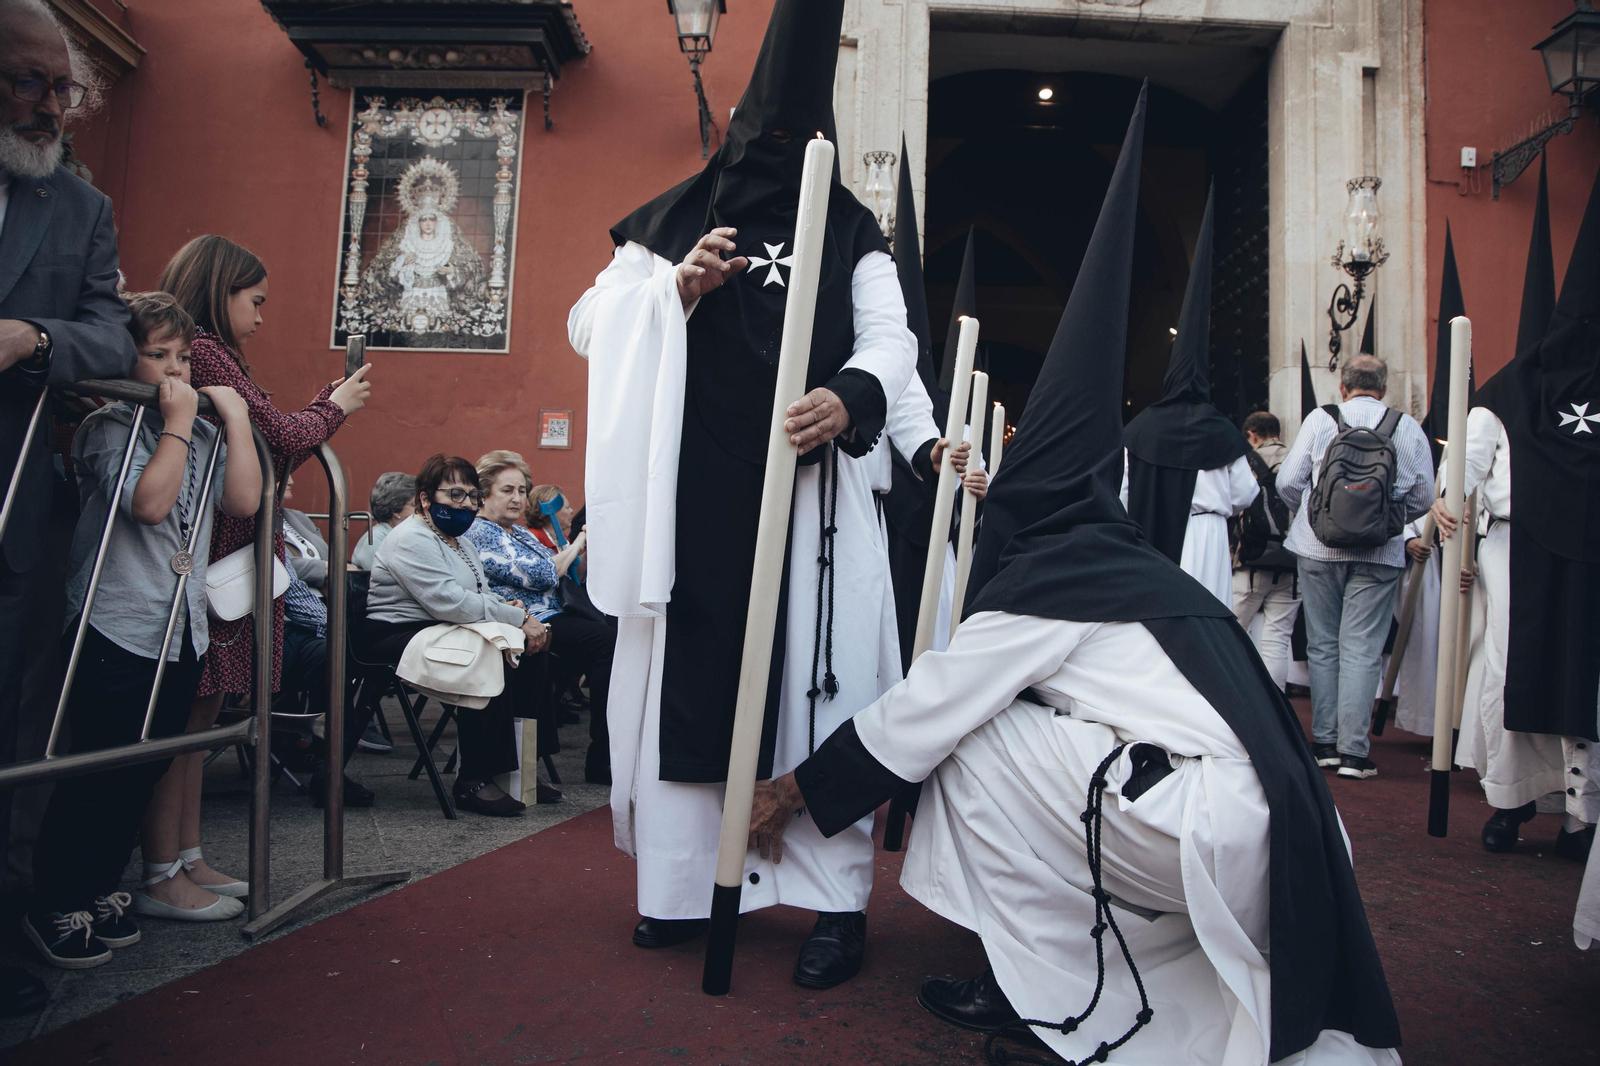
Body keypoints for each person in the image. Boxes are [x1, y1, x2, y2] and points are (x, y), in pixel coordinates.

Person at [749, 88, 1402, 1065]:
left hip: (1218, 835)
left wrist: (792, 789)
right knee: (1019, 730)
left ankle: (1041, 988)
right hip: (1283, 828)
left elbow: (925, 707)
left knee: (968, 738)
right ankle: (1093, 954)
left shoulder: (1049, 583)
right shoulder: (1131, 568)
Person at [569, 0, 916, 985]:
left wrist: (849, 396)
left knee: (822, 686)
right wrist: (671, 292)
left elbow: (890, 340)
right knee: (695, 688)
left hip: (814, 508)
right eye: (765, 146)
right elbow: (588, 322)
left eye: (798, 149)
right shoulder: (674, 220)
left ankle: (835, 902)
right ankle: (683, 888)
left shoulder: (851, 232)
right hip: (696, 497)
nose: (778, 164)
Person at [139, 235, 372, 909]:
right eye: (257, 301)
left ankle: (187, 858)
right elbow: (282, 435)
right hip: (217, 549)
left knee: (202, 716)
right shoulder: (206, 350)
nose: (262, 317)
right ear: (222, 290)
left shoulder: (209, 352)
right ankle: (163, 868)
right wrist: (335, 408)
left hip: (230, 545)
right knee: (187, 720)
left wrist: (323, 407)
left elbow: (272, 449)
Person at [25, 293, 258, 962]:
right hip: (116, 626)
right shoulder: (110, 427)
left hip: (180, 628)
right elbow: (151, 504)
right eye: (157, 356)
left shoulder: (204, 434)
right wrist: (180, 424)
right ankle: (56, 899)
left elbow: (243, 499)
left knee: (142, 772)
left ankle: (101, 884)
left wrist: (236, 420)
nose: (175, 370)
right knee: (98, 770)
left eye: (183, 357)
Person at [0, 0, 137, 1011]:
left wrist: (35, 339)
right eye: (30, 82)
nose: (53, 106)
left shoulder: (79, 206)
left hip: (11, 513)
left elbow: (113, 333)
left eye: (65, 86)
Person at [1446, 159, 1598, 860]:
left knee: (1581, 680)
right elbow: (1459, 475)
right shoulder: (1503, 398)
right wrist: (1447, 512)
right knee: (1516, 675)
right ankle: (1511, 803)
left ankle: (1581, 815)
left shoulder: (1513, 393)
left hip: (1584, 557)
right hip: (1517, 554)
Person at [366, 454, 550, 816]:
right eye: (454, 494)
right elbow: (448, 602)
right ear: (425, 498)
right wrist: (516, 616)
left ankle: (521, 768)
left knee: (530, 649)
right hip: (397, 633)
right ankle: (474, 779)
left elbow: (479, 595)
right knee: (491, 651)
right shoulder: (411, 538)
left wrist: (517, 616)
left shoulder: (459, 541)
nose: (465, 504)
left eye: (471, 496)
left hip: (444, 626)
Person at [1277, 354, 1433, 779]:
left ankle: (1325, 744)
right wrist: (1386, 521)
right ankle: (1353, 754)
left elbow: (1288, 482)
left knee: (1322, 644)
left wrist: (1315, 516)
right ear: (1384, 389)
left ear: (1343, 388)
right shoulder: (1406, 426)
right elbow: (1424, 496)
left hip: (1318, 548)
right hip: (1379, 553)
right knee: (1363, 648)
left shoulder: (1321, 419)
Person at [1121, 189, 1258, 605]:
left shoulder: (1142, 427)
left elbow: (1123, 492)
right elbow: (1245, 493)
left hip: (1151, 533)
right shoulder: (1219, 429)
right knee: (1205, 614)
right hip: (1208, 535)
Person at [461, 453, 581, 797]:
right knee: (598, 643)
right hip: (506, 621)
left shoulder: (519, 533)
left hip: (533, 621)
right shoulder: (480, 531)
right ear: (484, 494)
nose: (517, 498)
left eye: (522, 490)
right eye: (507, 490)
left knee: (544, 652)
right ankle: (508, 772)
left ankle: (524, 772)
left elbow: (554, 571)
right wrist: (579, 543)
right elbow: (544, 574)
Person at [1230, 410, 1301, 691]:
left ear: (1252, 435)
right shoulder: (1297, 459)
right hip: (1291, 562)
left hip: (1251, 562)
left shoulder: (1245, 461)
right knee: (1277, 641)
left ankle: (1233, 700)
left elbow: (1233, 504)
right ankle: (1276, 704)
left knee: (1231, 634)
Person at [351, 471, 415, 570]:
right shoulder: (375, 539)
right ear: (396, 509)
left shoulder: (403, 534)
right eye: (414, 504)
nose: (422, 509)